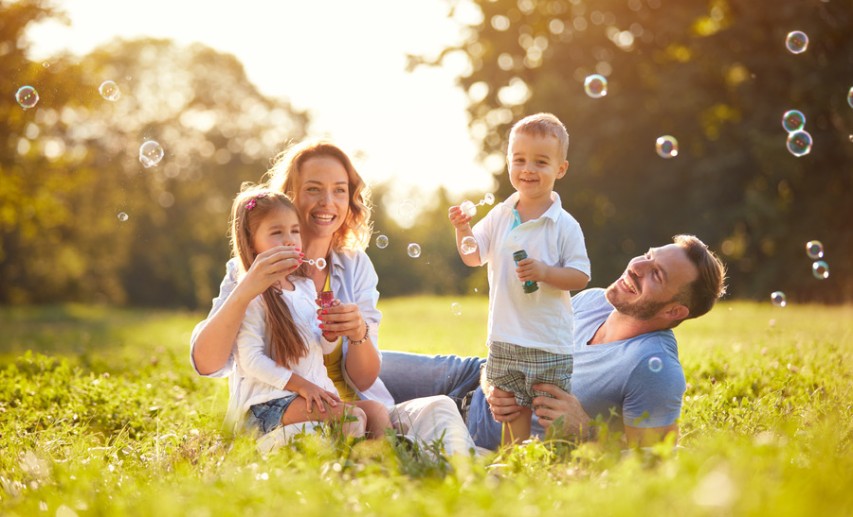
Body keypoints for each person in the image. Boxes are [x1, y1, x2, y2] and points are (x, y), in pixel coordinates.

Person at [190, 141, 476, 455]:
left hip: (353, 406)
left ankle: (469, 475)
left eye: (340, 190)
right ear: (290, 196)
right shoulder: (250, 269)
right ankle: (396, 462)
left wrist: (358, 334)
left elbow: (364, 378)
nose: (328, 202)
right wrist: (245, 290)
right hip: (286, 413)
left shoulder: (355, 266)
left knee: (440, 408)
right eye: (313, 189)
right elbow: (207, 364)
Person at [379, 234, 727, 450]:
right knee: (354, 363)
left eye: (657, 274)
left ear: (674, 311)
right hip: (470, 376)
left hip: (480, 429)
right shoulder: (593, 300)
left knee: (364, 419)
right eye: (648, 256)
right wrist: (492, 378)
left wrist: (587, 432)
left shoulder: (656, 369)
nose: (637, 265)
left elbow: (655, 466)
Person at [448, 113, 590, 445]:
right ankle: (516, 465)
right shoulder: (499, 215)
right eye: (520, 159)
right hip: (506, 337)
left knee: (551, 411)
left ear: (560, 169)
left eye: (541, 162)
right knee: (511, 411)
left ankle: (561, 462)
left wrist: (546, 273)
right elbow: (472, 255)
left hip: (548, 341)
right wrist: (463, 229)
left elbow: (581, 275)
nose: (528, 169)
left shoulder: (564, 225)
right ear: (509, 162)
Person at [224, 186, 392, 438]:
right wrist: (302, 386)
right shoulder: (251, 295)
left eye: (294, 231)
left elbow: (321, 348)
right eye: (276, 232)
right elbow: (251, 360)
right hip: (268, 403)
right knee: (352, 416)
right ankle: (348, 471)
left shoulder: (303, 287)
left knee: (376, 411)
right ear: (251, 242)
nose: (290, 239)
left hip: (304, 395)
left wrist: (330, 331)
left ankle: (382, 468)